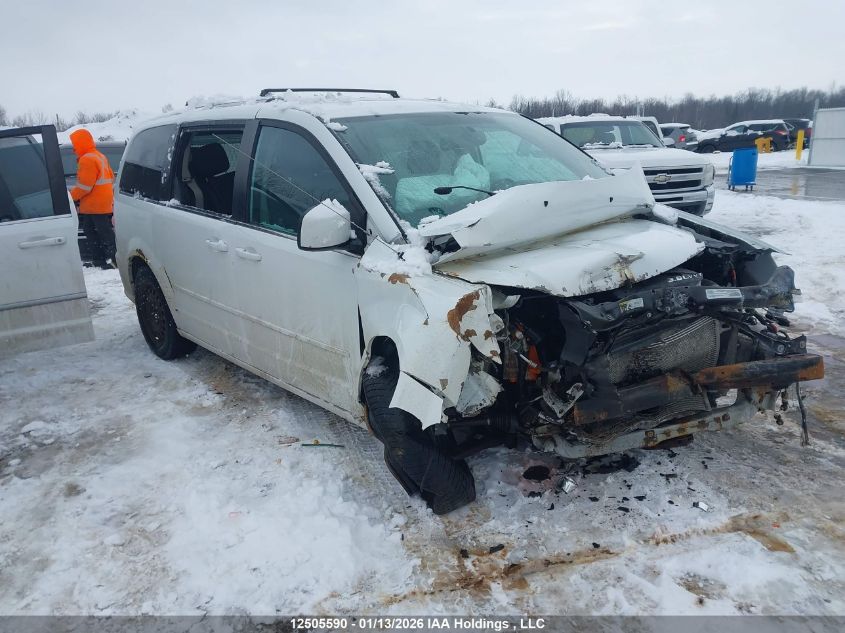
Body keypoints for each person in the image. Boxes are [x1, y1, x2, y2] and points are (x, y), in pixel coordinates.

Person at [69, 129, 116, 269]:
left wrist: (70, 198)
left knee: (103, 233)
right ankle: (100, 260)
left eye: (75, 145)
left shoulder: (87, 159)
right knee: (93, 230)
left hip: (95, 204)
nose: (73, 149)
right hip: (101, 202)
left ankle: (114, 259)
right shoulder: (99, 156)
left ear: (81, 143)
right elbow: (111, 178)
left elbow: (84, 186)